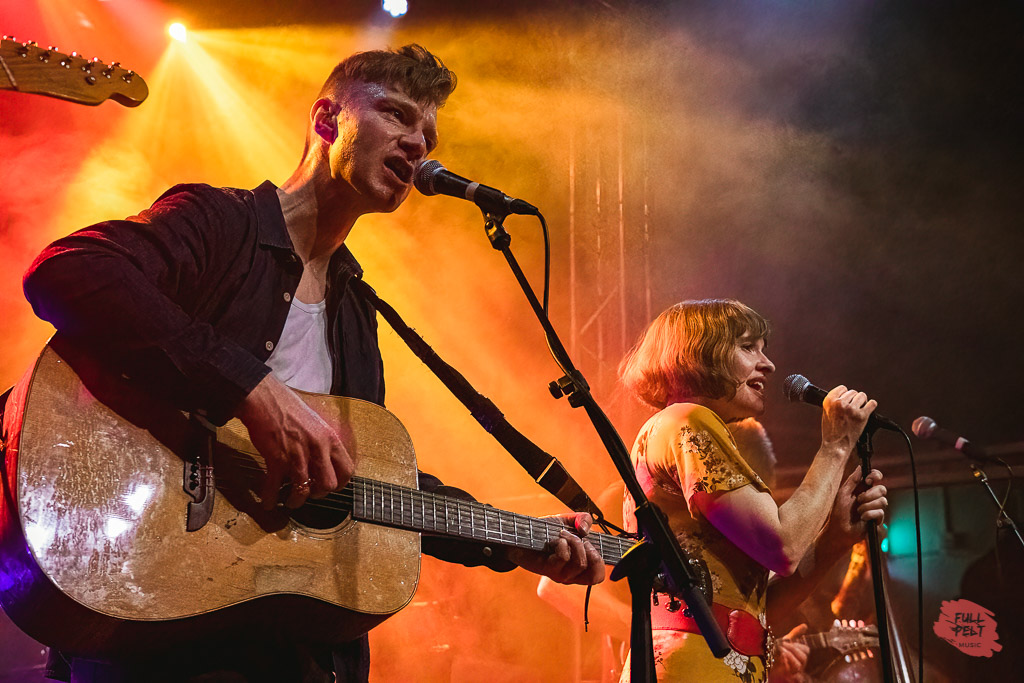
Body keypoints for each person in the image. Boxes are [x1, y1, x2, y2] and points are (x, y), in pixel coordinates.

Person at [16, 45, 603, 682]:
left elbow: (359, 477)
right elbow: (68, 271)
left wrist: (510, 539)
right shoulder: (221, 223)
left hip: (290, 653)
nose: (418, 144)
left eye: (429, 135)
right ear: (327, 122)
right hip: (151, 627)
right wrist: (248, 387)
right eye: (397, 116)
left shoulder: (356, 309)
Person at [615, 299, 888, 682]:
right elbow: (783, 546)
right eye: (747, 347)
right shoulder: (686, 420)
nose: (769, 364)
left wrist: (833, 542)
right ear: (699, 354)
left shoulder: (677, 428)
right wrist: (836, 446)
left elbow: (757, 611)